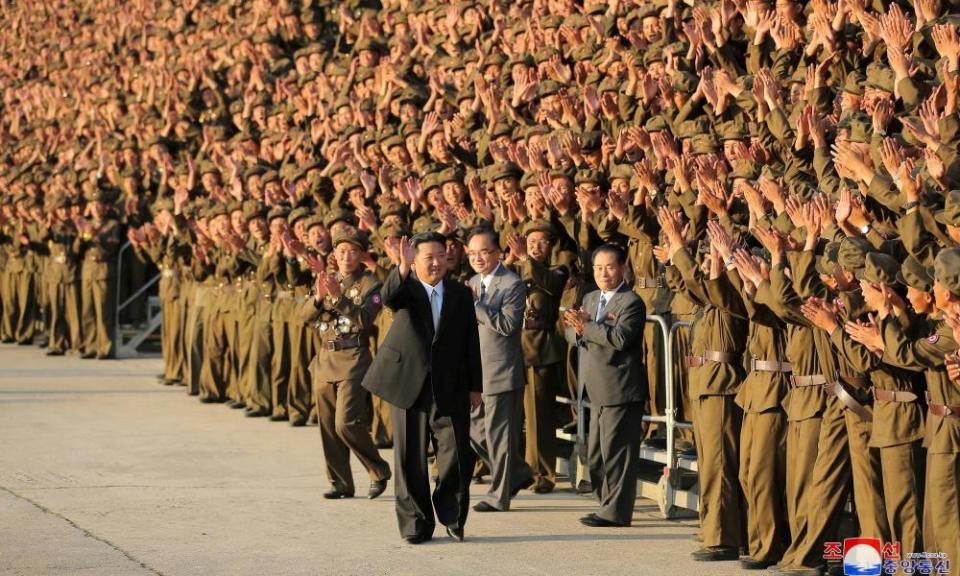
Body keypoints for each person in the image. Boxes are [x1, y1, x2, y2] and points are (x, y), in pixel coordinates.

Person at [361, 232, 482, 544]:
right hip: (406, 384)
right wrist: (400, 268)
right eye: (429, 256)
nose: (437, 262)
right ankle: (415, 522)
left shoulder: (460, 294)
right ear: (414, 260)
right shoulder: (405, 288)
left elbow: (471, 342)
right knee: (410, 458)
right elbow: (387, 298)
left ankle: (453, 515)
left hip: (451, 385)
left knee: (456, 454)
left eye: (441, 255)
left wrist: (476, 386)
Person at [299, 226, 392, 500]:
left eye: (353, 251)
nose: (347, 257)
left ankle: (378, 470)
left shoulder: (371, 284)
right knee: (328, 426)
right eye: (341, 251)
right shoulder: (328, 280)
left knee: (346, 423)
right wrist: (318, 297)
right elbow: (304, 318)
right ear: (334, 255)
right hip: (325, 359)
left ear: (362, 255)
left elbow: (364, 319)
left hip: (354, 359)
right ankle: (340, 483)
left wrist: (339, 298)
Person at [563, 243, 646, 527]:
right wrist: (580, 329)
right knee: (596, 455)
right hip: (593, 386)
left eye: (610, 267)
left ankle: (616, 513)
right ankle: (606, 504)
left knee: (618, 454)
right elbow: (571, 333)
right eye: (598, 267)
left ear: (623, 268)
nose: (603, 273)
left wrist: (587, 328)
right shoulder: (588, 298)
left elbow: (621, 338)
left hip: (620, 387)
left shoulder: (631, 301)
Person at [466, 227, 534, 513]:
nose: (478, 258)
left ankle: (499, 495)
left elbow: (508, 326)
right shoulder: (472, 281)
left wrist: (478, 305)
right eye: (472, 253)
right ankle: (516, 472)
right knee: (474, 431)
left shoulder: (512, 284)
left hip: (502, 371)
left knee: (499, 436)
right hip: (477, 371)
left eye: (484, 251)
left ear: (498, 253)